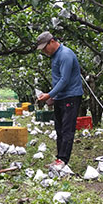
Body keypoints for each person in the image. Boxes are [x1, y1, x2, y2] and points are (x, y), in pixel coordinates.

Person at [36, 31, 83, 168]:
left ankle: (63, 160)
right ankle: (59, 158)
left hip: (71, 96)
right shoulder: (55, 56)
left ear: (51, 41)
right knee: (59, 128)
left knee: (67, 129)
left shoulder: (65, 55)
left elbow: (64, 80)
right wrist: (53, 96)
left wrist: (50, 95)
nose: (44, 51)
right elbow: (58, 80)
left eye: (45, 48)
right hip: (61, 96)